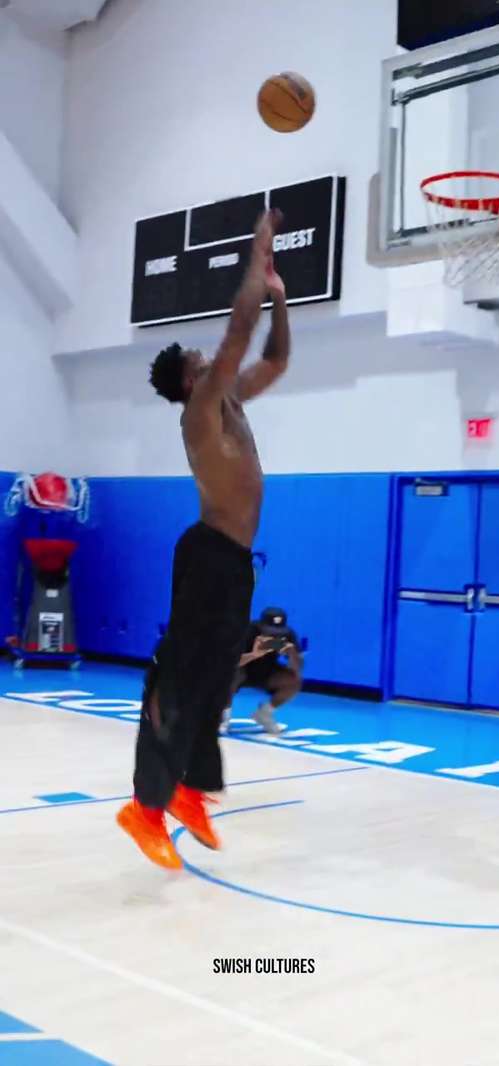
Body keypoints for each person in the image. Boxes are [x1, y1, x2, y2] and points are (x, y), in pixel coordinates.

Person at [117, 209, 291, 869]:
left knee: (218, 681)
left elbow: (275, 357)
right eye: (200, 360)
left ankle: (190, 790)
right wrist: (259, 253)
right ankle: (144, 807)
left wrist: (280, 299)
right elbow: (239, 332)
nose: (208, 358)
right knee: (182, 680)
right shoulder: (200, 411)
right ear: (191, 380)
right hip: (208, 557)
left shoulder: (232, 399)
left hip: (235, 563)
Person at [222, 607, 303, 735]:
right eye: (269, 632)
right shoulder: (246, 631)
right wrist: (254, 655)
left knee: (293, 680)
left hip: (266, 671)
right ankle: (223, 717)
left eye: (277, 633)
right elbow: (229, 663)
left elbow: (298, 669)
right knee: (231, 674)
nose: (273, 636)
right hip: (242, 670)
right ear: (261, 626)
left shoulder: (288, 635)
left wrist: (292, 654)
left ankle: (264, 713)